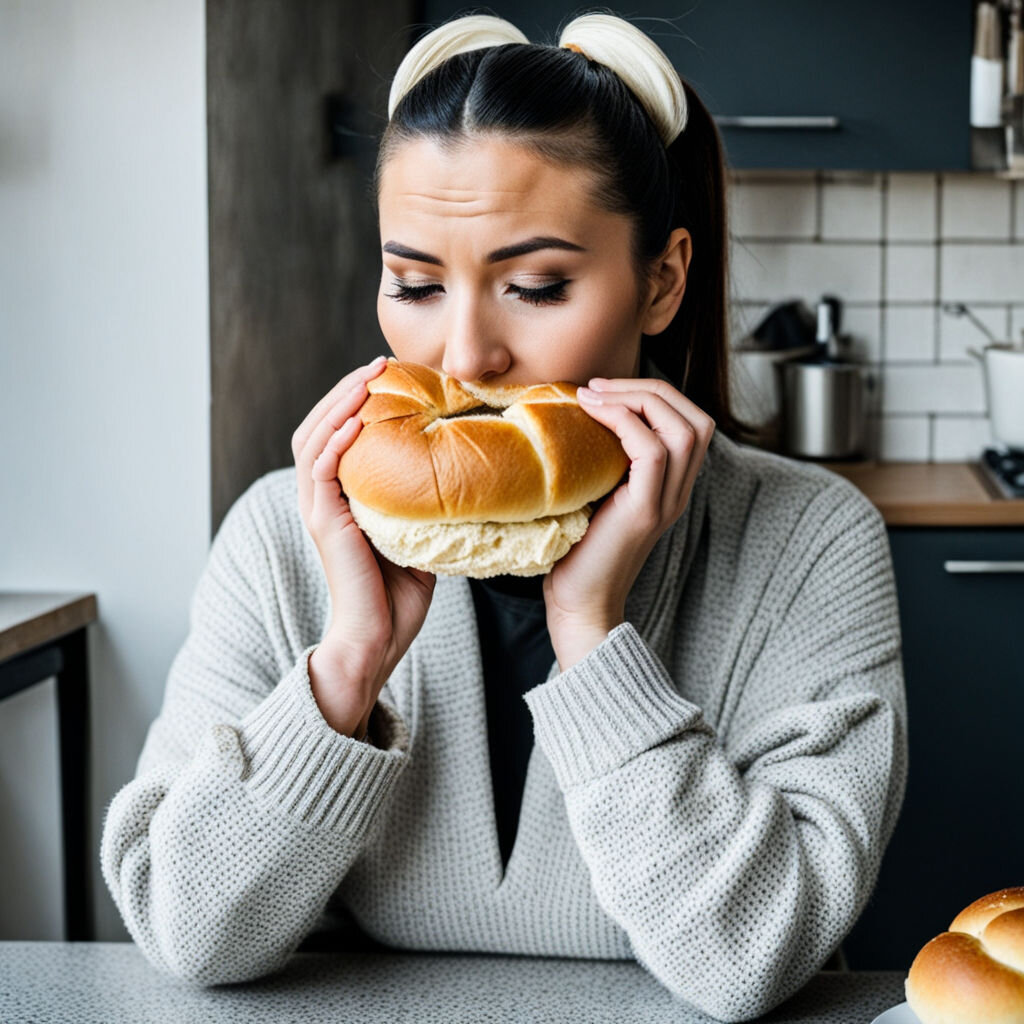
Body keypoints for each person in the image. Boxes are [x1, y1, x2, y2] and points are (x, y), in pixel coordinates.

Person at [100, 14, 907, 1022]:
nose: (464, 353)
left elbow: (750, 957)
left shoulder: (806, 538)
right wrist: (347, 664)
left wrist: (591, 635)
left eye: (534, 286)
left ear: (660, 280)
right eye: (415, 283)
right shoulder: (283, 533)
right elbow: (190, 938)